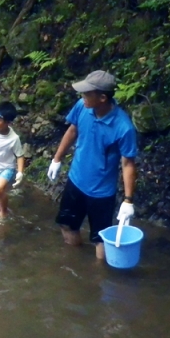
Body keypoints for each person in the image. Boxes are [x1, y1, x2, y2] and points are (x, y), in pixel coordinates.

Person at [47, 70, 138, 260]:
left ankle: (98, 276)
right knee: (67, 224)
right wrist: (57, 159)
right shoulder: (83, 106)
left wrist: (128, 200)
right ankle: (75, 262)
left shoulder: (123, 127)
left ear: (103, 97)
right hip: (76, 180)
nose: (82, 96)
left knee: (100, 239)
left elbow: (128, 163)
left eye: (87, 93)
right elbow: (73, 130)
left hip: (101, 192)